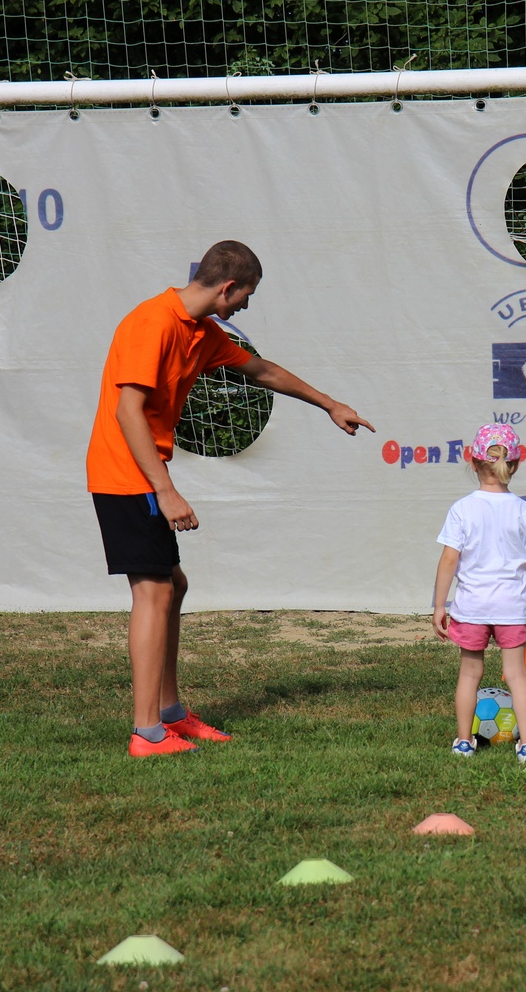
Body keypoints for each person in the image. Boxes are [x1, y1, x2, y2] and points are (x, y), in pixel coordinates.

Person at [87, 240, 373, 758]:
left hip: (143, 474)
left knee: (173, 584)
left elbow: (262, 371)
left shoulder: (202, 332)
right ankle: (147, 731)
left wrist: (330, 405)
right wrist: (166, 491)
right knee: (153, 593)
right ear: (227, 287)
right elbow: (128, 413)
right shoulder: (152, 323)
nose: (246, 305)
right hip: (126, 475)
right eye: (247, 295)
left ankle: (170, 714)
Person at [431, 423, 526, 765]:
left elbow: (449, 559)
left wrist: (440, 604)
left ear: (473, 463)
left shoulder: (462, 509)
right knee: (517, 676)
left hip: (470, 607)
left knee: (469, 674)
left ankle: (462, 741)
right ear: (514, 465)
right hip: (511, 608)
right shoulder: (524, 511)